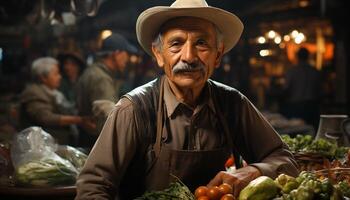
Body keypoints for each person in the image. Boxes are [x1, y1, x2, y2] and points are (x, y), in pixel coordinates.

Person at [75, 0, 299, 199]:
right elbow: (93, 186)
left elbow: (286, 161)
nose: (189, 57)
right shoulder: (134, 109)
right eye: (176, 43)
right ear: (159, 54)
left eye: (201, 43)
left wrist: (254, 171)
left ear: (217, 55)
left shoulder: (233, 104)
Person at [76, 33, 138, 147]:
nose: (127, 59)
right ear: (116, 54)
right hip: (94, 141)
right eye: (126, 54)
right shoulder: (101, 78)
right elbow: (109, 114)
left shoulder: (94, 71)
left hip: (87, 137)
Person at [19, 57, 95, 145]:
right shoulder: (33, 92)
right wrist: (79, 120)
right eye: (56, 74)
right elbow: (46, 118)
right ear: (43, 77)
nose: (60, 77)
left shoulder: (55, 93)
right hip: (38, 147)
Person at [281, 47, 322, 131]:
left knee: (296, 130)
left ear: (297, 56)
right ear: (308, 57)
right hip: (312, 105)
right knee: (312, 130)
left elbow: (286, 88)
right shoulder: (314, 71)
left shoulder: (292, 71)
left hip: (296, 105)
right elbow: (319, 90)